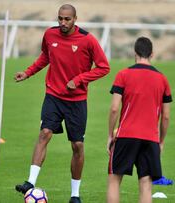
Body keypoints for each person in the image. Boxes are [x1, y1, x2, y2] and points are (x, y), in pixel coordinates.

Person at [14, 4, 110, 203]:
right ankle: (30, 183)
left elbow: (104, 67)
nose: (63, 22)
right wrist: (28, 72)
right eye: (60, 18)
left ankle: (75, 195)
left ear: (75, 18)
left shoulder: (88, 40)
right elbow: (45, 57)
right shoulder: (50, 35)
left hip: (76, 102)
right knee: (44, 133)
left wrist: (80, 80)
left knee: (77, 146)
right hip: (53, 96)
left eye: (67, 19)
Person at [106, 37, 172, 203]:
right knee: (145, 184)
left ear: (134, 53)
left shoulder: (123, 75)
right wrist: (161, 142)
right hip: (150, 138)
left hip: (126, 135)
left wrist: (109, 135)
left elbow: (114, 108)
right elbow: (166, 116)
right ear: (152, 54)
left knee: (114, 180)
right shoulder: (162, 79)